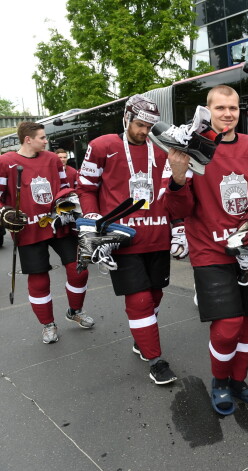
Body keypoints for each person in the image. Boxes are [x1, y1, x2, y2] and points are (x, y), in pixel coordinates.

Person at [163, 85, 248, 415]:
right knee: (228, 325)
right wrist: (177, 179)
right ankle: (219, 382)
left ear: (240, 111)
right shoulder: (190, 149)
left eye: (233, 108)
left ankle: (239, 382)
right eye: (220, 108)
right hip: (210, 250)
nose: (227, 113)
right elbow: (178, 207)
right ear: (207, 111)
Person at [77, 94, 181, 386]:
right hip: (121, 238)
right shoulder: (102, 146)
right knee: (140, 299)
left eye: (149, 127)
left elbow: (170, 195)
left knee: (156, 294)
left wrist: (179, 227)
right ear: (126, 118)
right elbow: (85, 187)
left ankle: (142, 337)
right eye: (138, 125)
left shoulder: (160, 153)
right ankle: (155, 360)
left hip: (157, 236)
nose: (144, 131)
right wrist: (93, 221)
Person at [0, 122, 93, 343]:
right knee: (39, 279)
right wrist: (4, 212)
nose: (46, 141)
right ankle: (48, 324)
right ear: (28, 139)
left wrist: (68, 200)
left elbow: (63, 188)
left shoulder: (52, 159)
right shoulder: (6, 162)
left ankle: (75, 311)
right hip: (28, 229)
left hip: (58, 223)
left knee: (79, 270)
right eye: (42, 137)